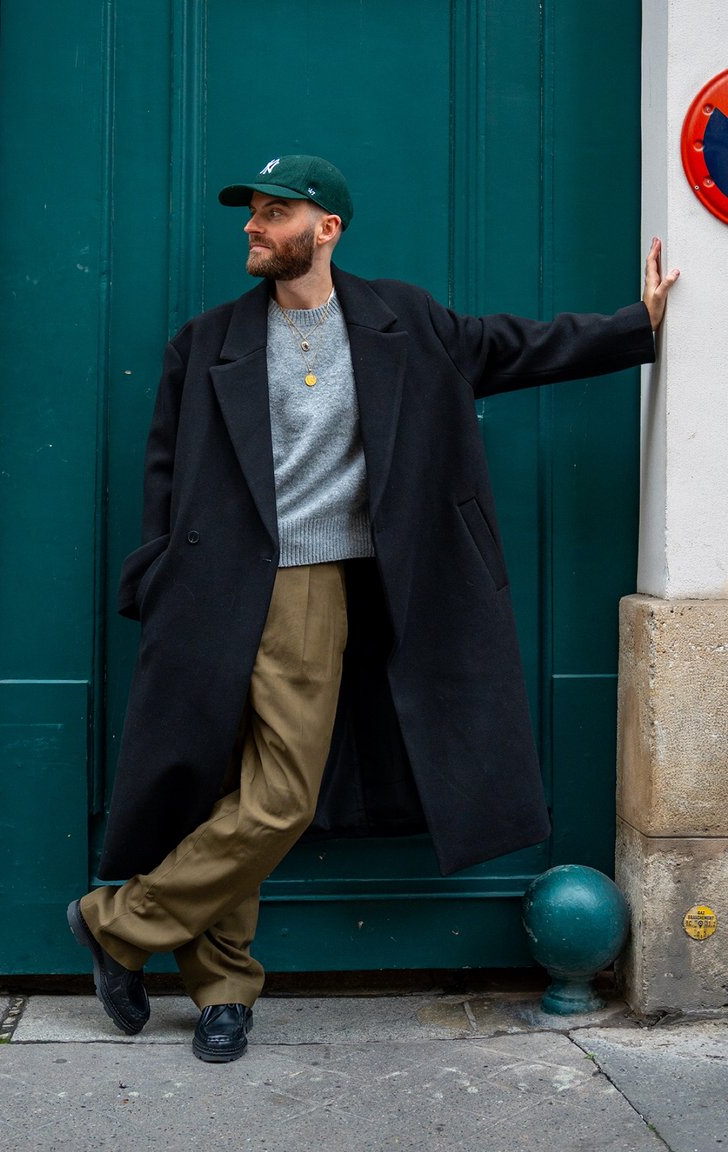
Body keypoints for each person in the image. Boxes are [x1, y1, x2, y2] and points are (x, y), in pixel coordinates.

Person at [67, 155, 679, 1062]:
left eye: (275, 213)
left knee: (262, 794)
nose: (252, 226)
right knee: (251, 794)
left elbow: (514, 347)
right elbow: (165, 471)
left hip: (348, 581)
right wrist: (155, 574)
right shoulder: (205, 342)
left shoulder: (403, 320)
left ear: (327, 229)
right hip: (234, 588)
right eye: (252, 213)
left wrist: (638, 328)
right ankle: (168, 957)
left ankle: (169, 954)